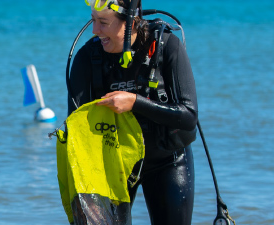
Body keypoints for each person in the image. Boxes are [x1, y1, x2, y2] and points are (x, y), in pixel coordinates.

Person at [66, 0, 198, 224]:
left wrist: (135, 102)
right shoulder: (86, 58)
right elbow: (77, 131)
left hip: (167, 160)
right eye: (93, 20)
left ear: (131, 23)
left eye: (103, 22)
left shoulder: (167, 46)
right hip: (112, 166)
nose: (95, 30)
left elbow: (189, 117)